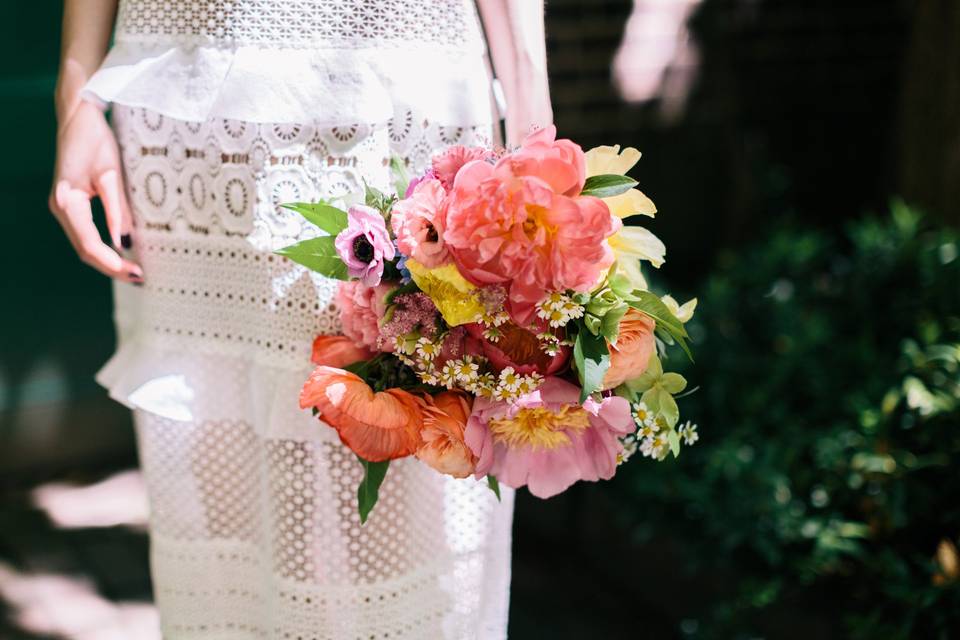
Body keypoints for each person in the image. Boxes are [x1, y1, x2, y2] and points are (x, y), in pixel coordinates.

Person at [49, 1, 552, 637]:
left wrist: (536, 133)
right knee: (225, 497)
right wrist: (79, 101)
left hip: (397, 94)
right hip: (191, 111)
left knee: (410, 472)